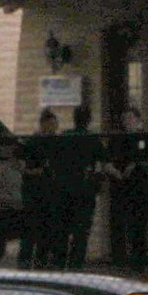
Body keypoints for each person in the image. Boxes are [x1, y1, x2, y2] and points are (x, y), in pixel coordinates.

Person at [107, 104, 148, 270]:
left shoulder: (145, 138)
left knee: (138, 225)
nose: (127, 122)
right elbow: (107, 160)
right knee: (118, 224)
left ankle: (139, 261)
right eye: (125, 119)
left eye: (130, 118)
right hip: (120, 188)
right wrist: (113, 171)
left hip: (140, 188)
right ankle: (119, 260)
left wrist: (137, 165)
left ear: (138, 120)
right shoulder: (117, 139)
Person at [21, 111, 70, 266]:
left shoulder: (57, 142)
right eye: (52, 124)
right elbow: (23, 167)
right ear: (44, 124)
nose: (55, 127)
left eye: (56, 124)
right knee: (31, 229)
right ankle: (26, 260)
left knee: (48, 229)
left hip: (52, 193)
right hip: (35, 193)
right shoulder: (33, 143)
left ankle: (42, 260)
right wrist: (38, 171)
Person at [60, 107, 107, 267]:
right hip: (85, 189)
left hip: (65, 188)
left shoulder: (65, 137)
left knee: (64, 228)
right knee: (82, 230)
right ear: (88, 120)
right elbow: (102, 162)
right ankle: (76, 262)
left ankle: (60, 261)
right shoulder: (92, 139)